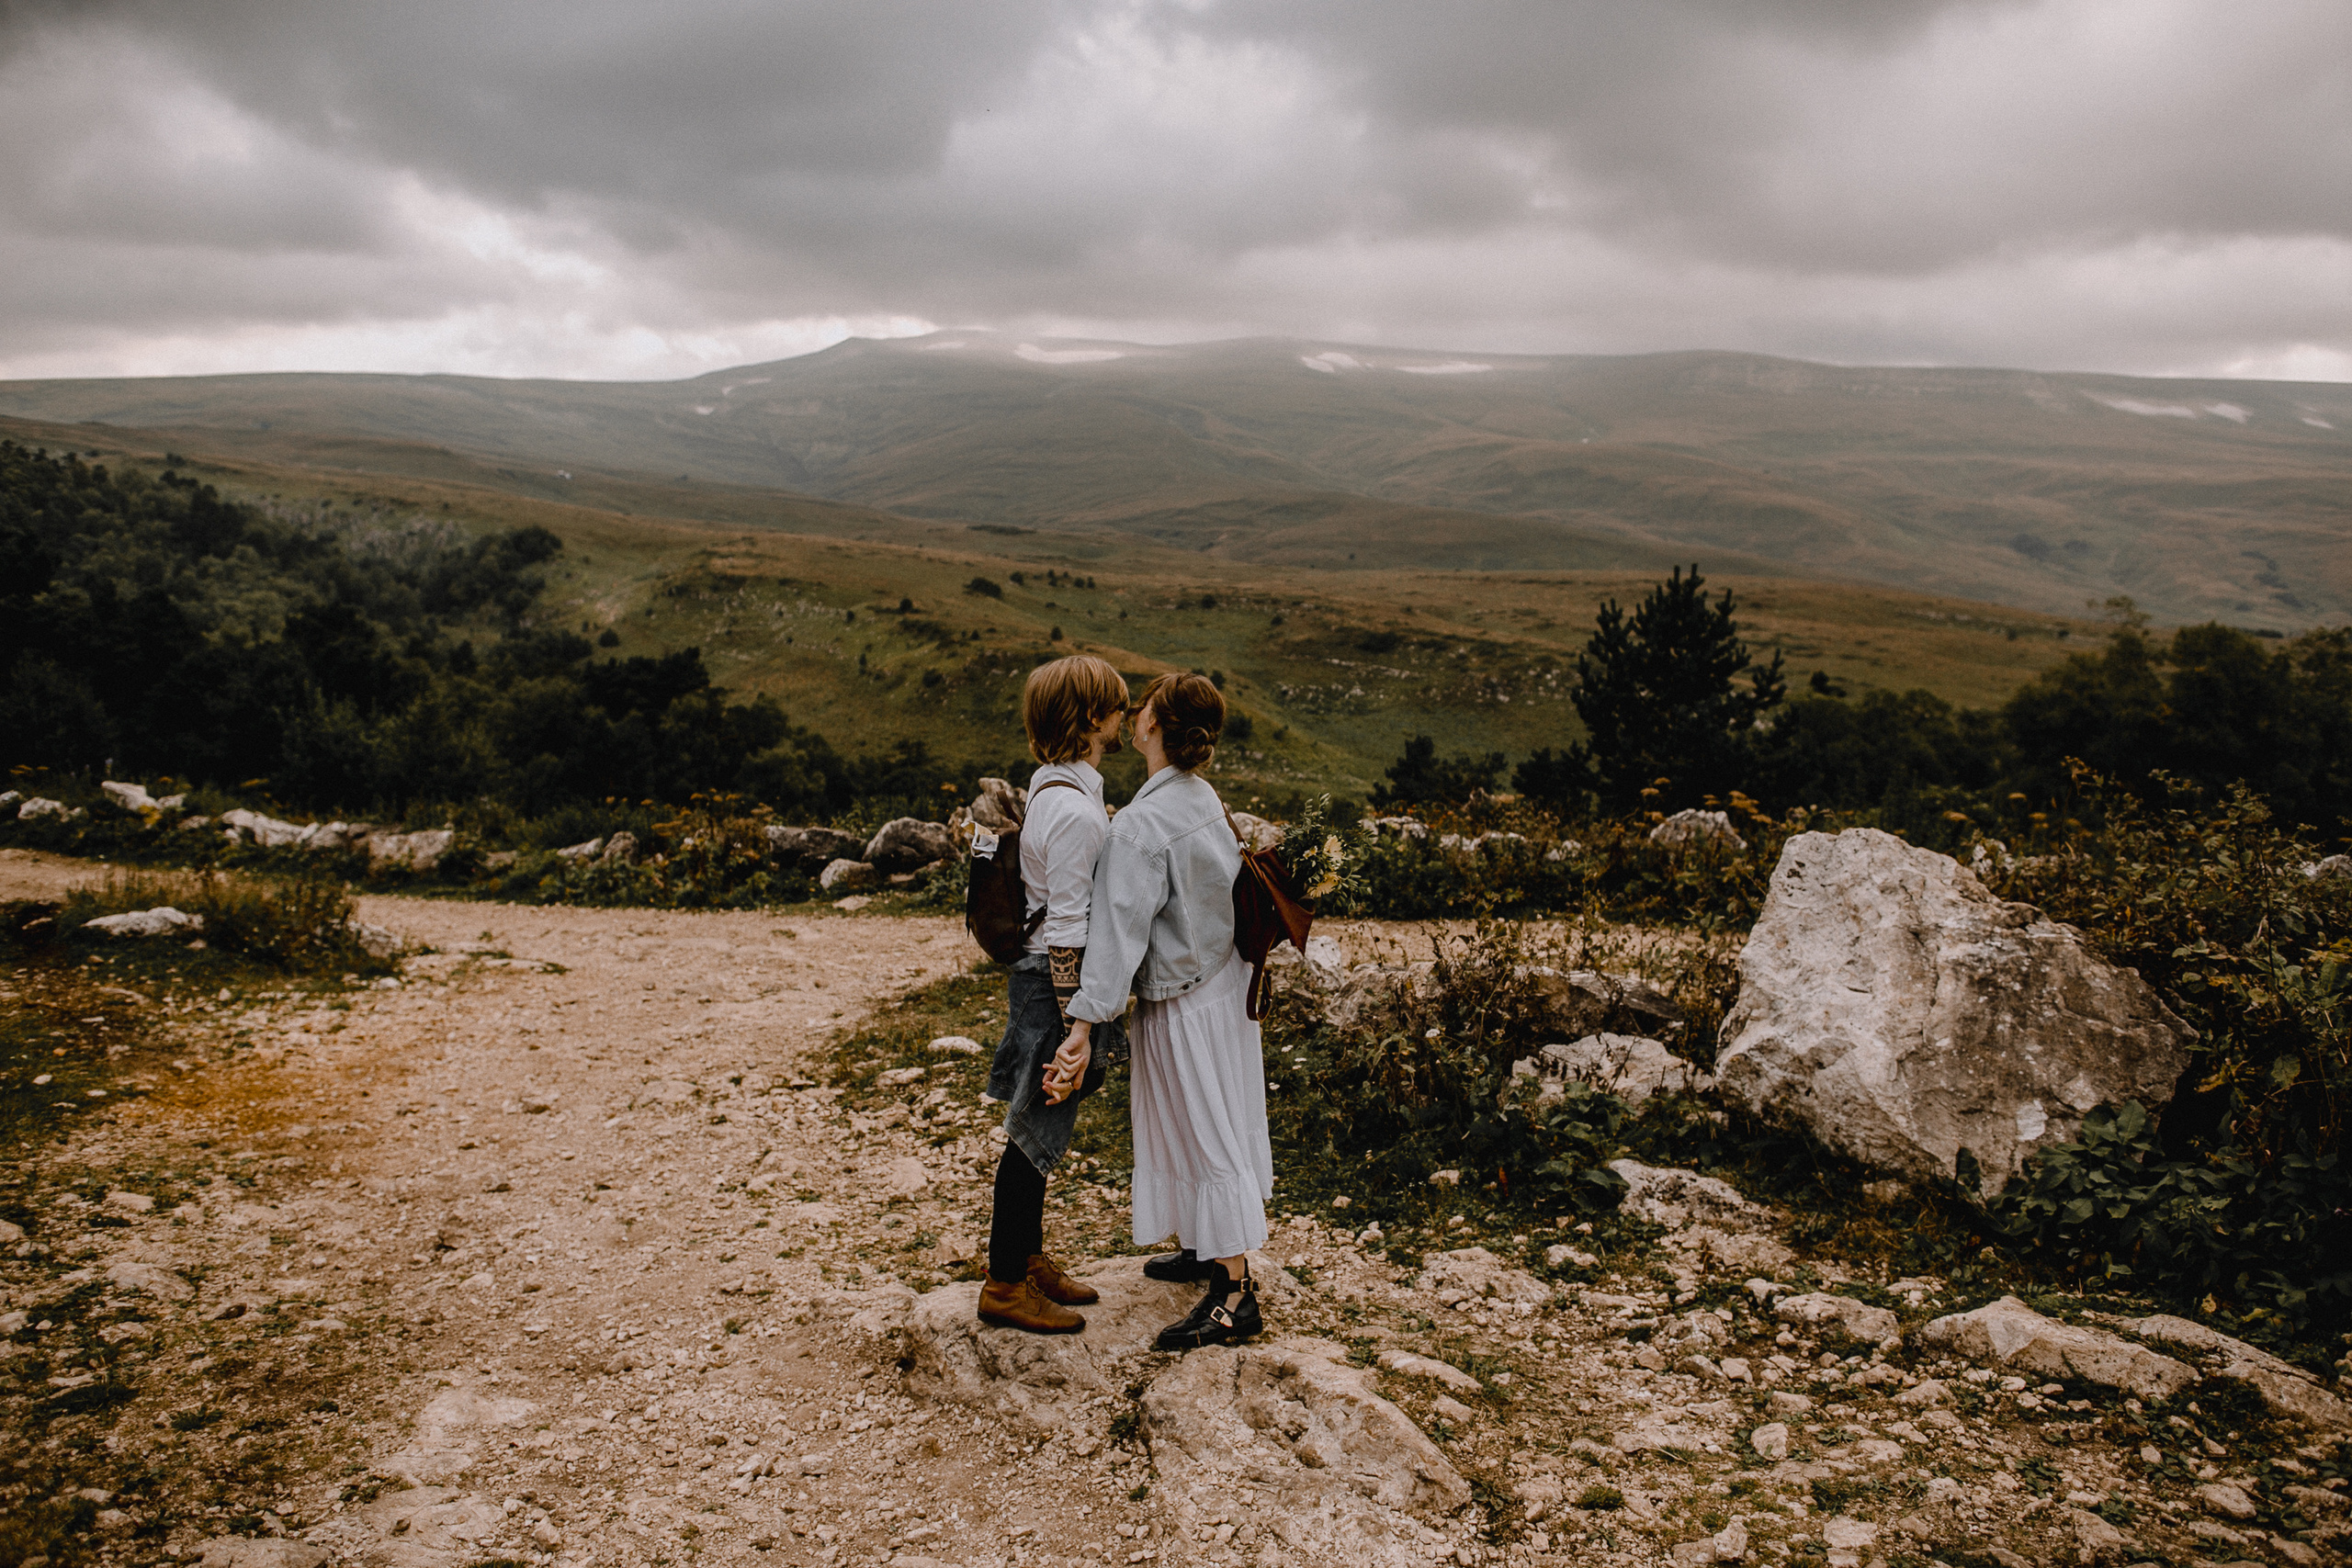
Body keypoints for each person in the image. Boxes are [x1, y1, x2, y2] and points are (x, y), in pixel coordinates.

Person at [1047, 671, 1271, 1351]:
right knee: (1211, 1117)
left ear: (1151, 727)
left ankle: (1233, 1294)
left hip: (1180, 998)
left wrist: (1083, 1023)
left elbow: (1119, 938)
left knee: (1202, 1129)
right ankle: (1207, 1245)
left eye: (1141, 704)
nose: (1132, 712)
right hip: (1223, 986)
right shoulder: (1200, 796)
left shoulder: (1141, 824)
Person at [977, 654, 1132, 1335]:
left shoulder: (1055, 789)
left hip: (1043, 980)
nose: (1125, 716)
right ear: (1091, 718)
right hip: (1053, 983)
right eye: (1116, 706)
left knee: (1040, 1120)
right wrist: (1079, 1023)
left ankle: (1028, 1256)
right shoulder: (1073, 811)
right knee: (1035, 1130)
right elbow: (1068, 923)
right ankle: (1006, 1282)